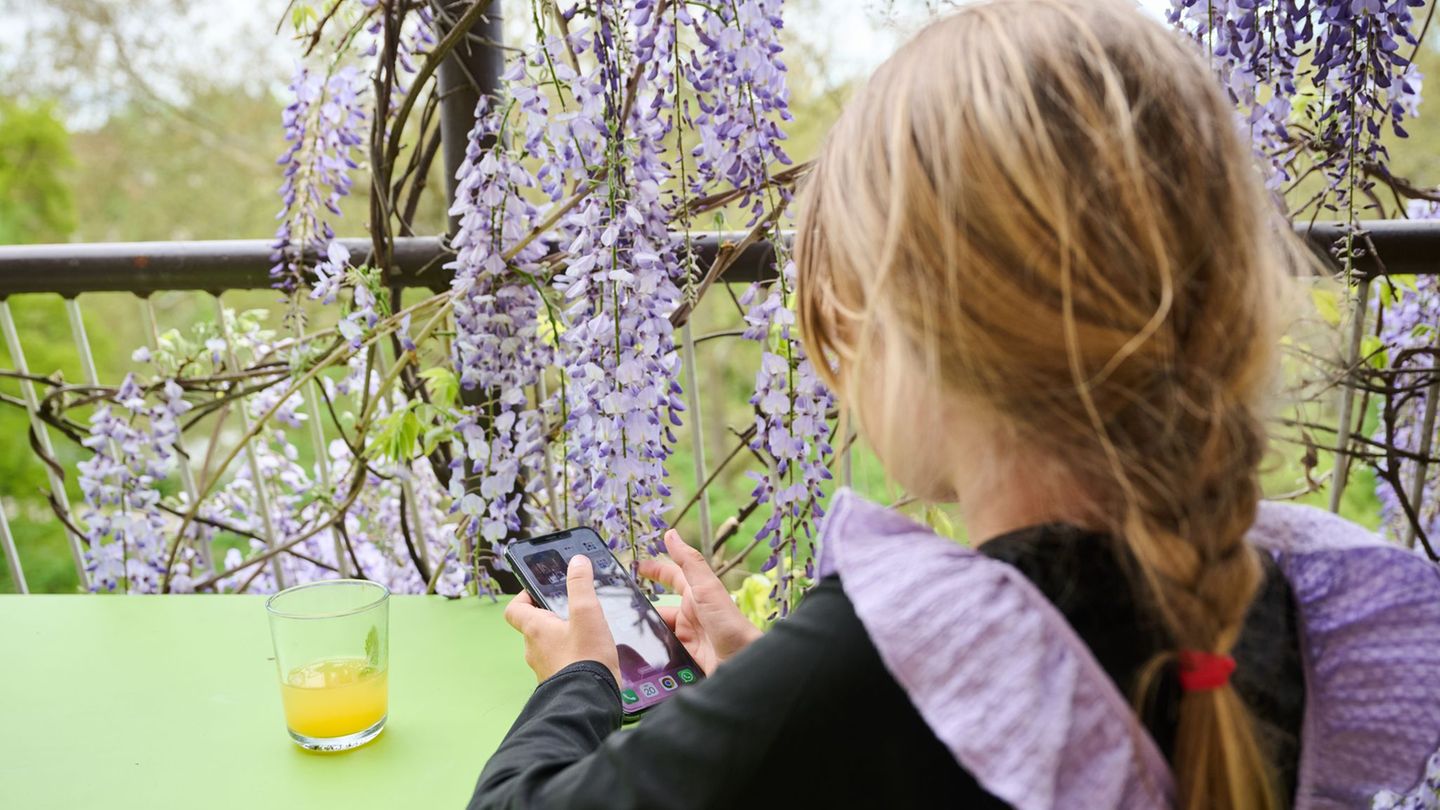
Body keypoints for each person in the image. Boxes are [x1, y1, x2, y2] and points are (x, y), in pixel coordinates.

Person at [472, 1, 1440, 807]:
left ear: (917, 328)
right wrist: (768, 686)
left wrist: (584, 681)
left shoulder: (875, 659)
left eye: (839, 327)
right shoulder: (1272, 600)